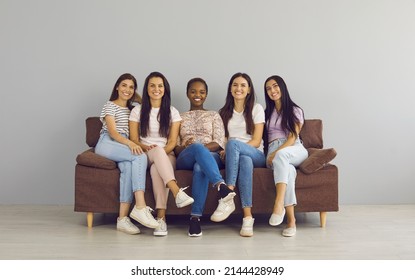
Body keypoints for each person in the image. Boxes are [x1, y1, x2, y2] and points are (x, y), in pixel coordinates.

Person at [129, 71, 194, 237]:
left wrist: (159, 153)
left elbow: (172, 143)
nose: (156, 89)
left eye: (160, 86)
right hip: (144, 154)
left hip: (166, 155)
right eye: (152, 85)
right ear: (147, 89)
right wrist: (150, 149)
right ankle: (177, 192)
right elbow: (134, 139)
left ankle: (161, 219)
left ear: (165, 89)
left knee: (155, 170)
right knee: (156, 152)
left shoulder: (172, 112)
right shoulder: (137, 111)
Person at [94, 73, 159, 235]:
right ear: (116, 86)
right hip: (108, 142)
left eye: (131, 87)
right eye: (123, 85)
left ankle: (122, 219)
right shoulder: (110, 105)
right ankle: (140, 206)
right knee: (139, 156)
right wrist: (131, 144)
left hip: (123, 145)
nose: (127, 90)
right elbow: (113, 133)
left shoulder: (132, 109)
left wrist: (135, 96)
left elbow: (148, 105)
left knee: (129, 169)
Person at [175, 78, 227, 237]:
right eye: (193, 91)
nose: (197, 95)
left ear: (206, 95)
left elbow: (218, 142)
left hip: (211, 156)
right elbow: (175, 147)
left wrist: (200, 150)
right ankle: (220, 186)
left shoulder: (214, 115)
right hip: (186, 157)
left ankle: (195, 219)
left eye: (202, 92)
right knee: (196, 149)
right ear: (187, 94)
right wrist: (187, 148)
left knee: (200, 166)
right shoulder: (179, 117)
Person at [215, 72, 266, 237]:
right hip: (239, 156)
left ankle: (227, 194)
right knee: (244, 161)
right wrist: (227, 149)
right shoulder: (222, 113)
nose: (239, 88)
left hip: (257, 154)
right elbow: (222, 139)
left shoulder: (256, 109)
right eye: (235, 85)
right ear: (230, 89)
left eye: (243, 85)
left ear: (249, 89)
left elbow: (257, 141)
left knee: (235, 144)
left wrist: (232, 147)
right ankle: (247, 217)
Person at [263, 75, 308, 237]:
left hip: (294, 148)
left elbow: (293, 137)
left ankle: (278, 203)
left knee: (282, 156)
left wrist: (276, 152)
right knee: (288, 172)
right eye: (268, 89)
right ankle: (291, 222)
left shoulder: (295, 110)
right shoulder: (266, 113)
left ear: (282, 87)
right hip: (274, 152)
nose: (272, 91)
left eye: (275, 86)